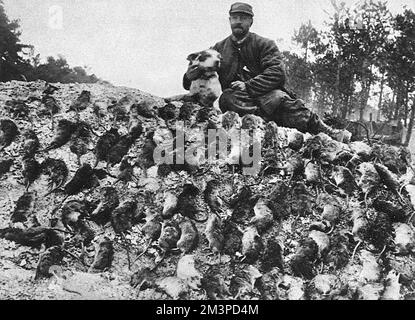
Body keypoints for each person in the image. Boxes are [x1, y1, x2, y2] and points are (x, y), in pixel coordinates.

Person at [182, 2, 351, 143]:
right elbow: (201, 67)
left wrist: (248, 86)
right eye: (234, 18)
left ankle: (327, 131)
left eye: (243, 18)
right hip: (239, 100)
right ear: (229, 20)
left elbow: (277, 73)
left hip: (267, 95)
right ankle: (265, 124)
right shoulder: (219, 48)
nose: (238, 22)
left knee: (284, 104)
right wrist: (188, 77)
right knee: (227, 99)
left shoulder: (264, 44)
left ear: (251, 22)